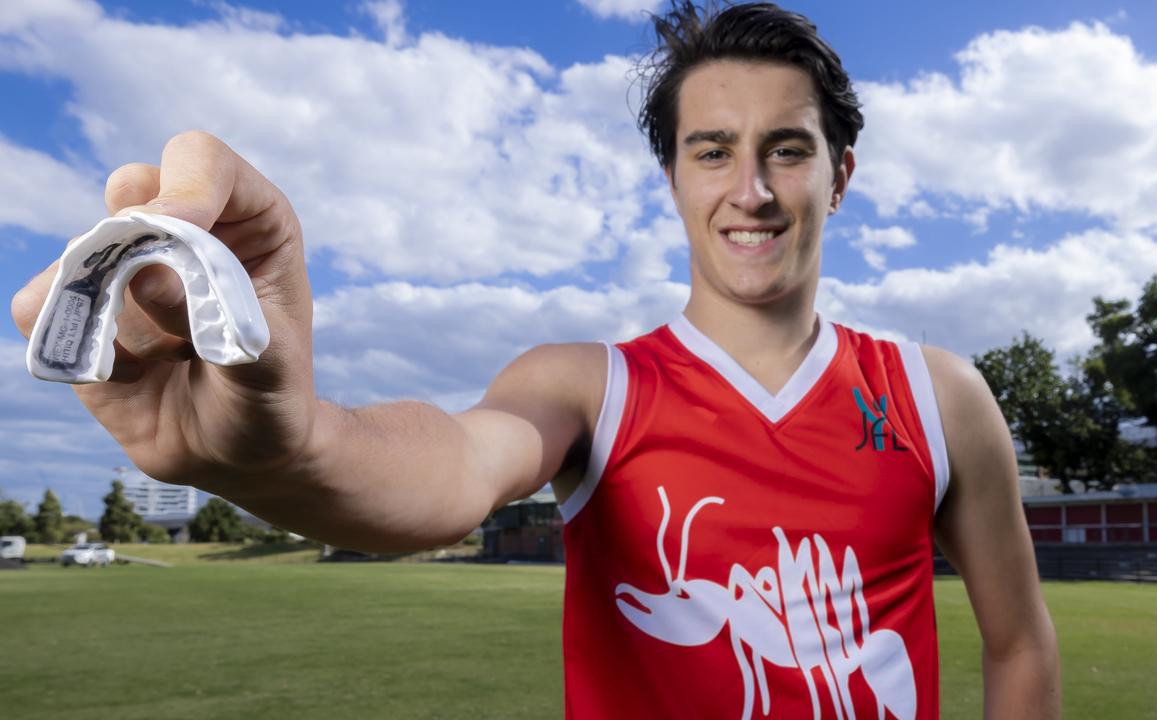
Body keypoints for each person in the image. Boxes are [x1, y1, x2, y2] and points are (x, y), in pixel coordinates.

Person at [11, 1, 1059, 717]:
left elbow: (1016, 643)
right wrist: (288, 444)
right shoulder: (588, 388)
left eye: (786, 148)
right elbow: (444, 473)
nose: (750, 188)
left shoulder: (936, 394)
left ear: (838, 175)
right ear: (673, 179)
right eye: (712, 151)